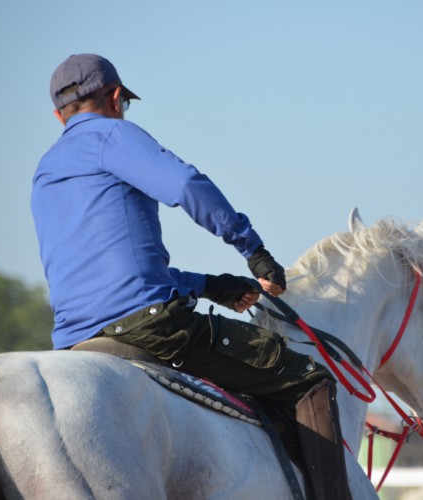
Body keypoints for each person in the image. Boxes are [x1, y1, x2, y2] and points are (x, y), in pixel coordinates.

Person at [31, 54, 351, 499]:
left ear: (57, 115)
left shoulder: (46, 171)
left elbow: (118, 274)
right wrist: (252, 249)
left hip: (74, 342)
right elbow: (184, 186)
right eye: (124, 104)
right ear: (116, 97)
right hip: (149, 327)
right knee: (312, 381)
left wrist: (209, 285)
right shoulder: (112, 133)